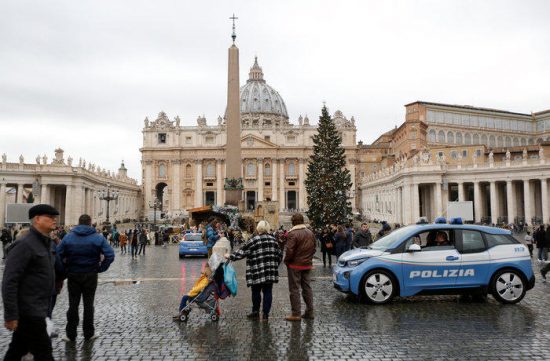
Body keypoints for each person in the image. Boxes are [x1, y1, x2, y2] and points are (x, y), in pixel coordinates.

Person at [2, 204, 59, 360]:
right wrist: (11, 314)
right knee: (44, 354)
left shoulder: (45, 243)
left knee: (16, 351)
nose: (55, 220)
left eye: (55, 217)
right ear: (37, 219)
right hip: (29, 311)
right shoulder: (25, 244)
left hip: (38, 308)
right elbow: (9, 280)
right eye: (50, 217)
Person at [57, 214, 115, 342]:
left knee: (73, 305)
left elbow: (57, 255)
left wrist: (64, 269)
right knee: (89, 305)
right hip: (91, 274)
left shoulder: (68, 236)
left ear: (78, 222)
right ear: (90, 223)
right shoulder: (97, 237)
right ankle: (89, 333)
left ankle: (70, 334)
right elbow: (110, 255)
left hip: (73, 273)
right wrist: (101, 268)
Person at [226, 220, 282, 321]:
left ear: (258, 228)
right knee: (268, 292)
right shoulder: (274, 240)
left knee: (256, 291)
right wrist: (274, 265)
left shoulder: (254, 240)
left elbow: (242, 251)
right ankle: (265, 315)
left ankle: (255, 312)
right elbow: (279, 255)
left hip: (256, 270)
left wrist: (230, 256)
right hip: (270, 271)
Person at [284, 213, 316, 322]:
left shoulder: (292, 234)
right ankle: (310, 311)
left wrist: (286, 261)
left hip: (295, 265)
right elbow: (314, 248)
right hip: (307, 264)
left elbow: (289, 251)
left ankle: (296, 313)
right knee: (307, 287)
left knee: (294, 289)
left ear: (293, 222)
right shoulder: (310, 232)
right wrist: (308, 259)